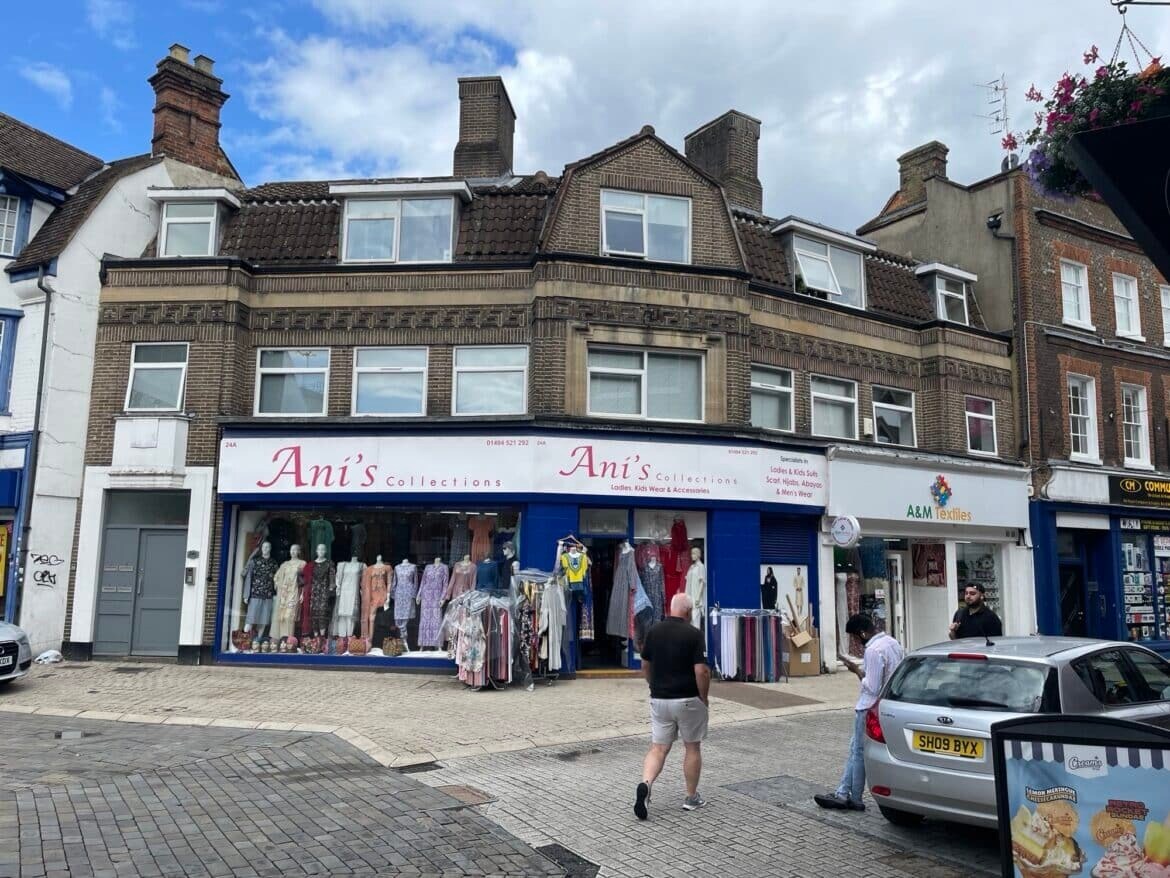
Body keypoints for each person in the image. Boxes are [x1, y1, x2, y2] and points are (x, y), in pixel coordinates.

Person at [814, 613, 904, 812]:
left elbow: (872, 686)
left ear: (862, 633)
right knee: (856, 749)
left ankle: (851, 796)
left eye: (855, 638)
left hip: (868, 706)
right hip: (885, 705)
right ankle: (844, 793)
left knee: (857, 752)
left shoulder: (873, 650)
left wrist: (856, 670)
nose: (855, 642)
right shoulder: (893, 643)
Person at [634, 592, 710, 820]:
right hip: (687, 699)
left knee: (658, 748)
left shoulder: (654, 631)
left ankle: (645, 785)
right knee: (692, 747)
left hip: (660, 699)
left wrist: (652, 685)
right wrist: (703, 697)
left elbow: (645, 664)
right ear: (688, 612)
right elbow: (702, 670)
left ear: (671, 608)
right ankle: (691, 797)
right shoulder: (694, 634)